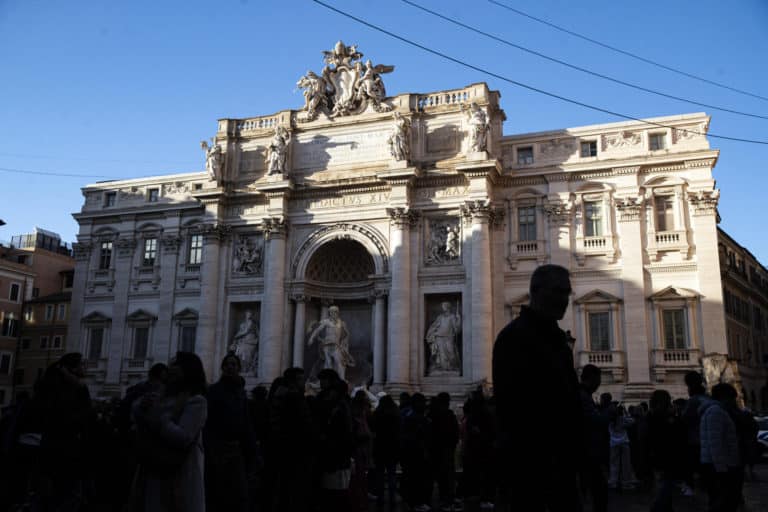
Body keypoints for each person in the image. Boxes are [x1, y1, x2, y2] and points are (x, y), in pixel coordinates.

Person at [492, 264, 582, 511]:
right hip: (532, 462)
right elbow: (512, 407)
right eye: (558, 291)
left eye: (567, 292)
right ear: (537, 292)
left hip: (559, 460)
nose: (564, 298)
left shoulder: (558, 340)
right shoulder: (515, 338)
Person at [132, 351, 208, 512]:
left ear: (187, 369)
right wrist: (142, 407)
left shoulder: (196, 401)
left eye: (175, 364)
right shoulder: (161, 395)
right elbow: (138, 417)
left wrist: (162, 419)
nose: (170, 367)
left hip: (180, 469)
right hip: (156, 465)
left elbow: (184, 437)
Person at [36, 352, 95, 511]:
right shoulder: (70, 390)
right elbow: (84, 417)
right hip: (66, 451)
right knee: (68, 497)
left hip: (55, 450)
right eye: (82, 364)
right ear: (72, 369)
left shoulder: (53, 387)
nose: (86, 367)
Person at [204, 353, 256, 512]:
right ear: (222, 368)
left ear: (239, 368)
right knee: (219, 491)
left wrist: (252, 451)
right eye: (227, 364)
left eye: (233, 364)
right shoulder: (213, 391)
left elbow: (246, 423)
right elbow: (208, 421)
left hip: (236, 447)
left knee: (238, 492)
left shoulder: (241, 392)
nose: (230, 367)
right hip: (218, 447)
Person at [699, 383, 741, 512]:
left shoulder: (716, 411)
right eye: (732, 398)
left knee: (721, 501)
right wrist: (722, 469)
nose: (734, 401)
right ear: (724, 397)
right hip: (719, 466)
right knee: (722, 502)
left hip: (718, 464)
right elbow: (715, 443)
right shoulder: (716, 412)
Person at [647, 390, 685, 512]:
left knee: (664, 486)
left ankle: (666, 507)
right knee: (664, 486)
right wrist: (674, 417)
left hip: (660, 457)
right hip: (664, 457)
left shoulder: (652, 416)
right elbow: (673, 433)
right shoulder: (662, 417)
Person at [578, 364, 608, 512]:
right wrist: (608, 414)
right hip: (586, 452)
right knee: (598, 489)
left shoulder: (583, 395)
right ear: (592, 379)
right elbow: (593, 421)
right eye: (598, 380)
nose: (599, 384)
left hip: (587, 451)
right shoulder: (583, 396)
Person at [681, 371, 711, 494]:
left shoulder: (694, 401)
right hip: (705, 440)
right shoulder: (708, 399)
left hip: (695, 440)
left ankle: (691, 486)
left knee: (690, 465)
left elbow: (685, 419)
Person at [308, 305, 355, 381]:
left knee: (338, 361)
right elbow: (317, 330)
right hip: (327, 345)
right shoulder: (326, 322)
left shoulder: (341, 323)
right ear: (329, 313)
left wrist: (344, 343)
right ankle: (327, 380)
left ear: (338, 312)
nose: (333, 313)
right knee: (328, 363)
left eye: (335, 312)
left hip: (336, 345)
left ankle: (341, 379)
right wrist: (311, 338)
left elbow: (347, 334)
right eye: (332, 312)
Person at [371, 394, 401, 507]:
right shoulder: (396, 414)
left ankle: (380, 497)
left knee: (379, 475)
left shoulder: (378, 413)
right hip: (392, 448)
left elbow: (373, 428)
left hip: (379, 447)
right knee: (391, 475)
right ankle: (392, 498)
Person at [425, 301, 461, 373]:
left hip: (449, 337)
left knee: (451, 352)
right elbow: (434, 325)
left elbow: (456, 328)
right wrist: (432, 333)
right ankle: (443, 368)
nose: (443, 307)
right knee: (441, 354)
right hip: (439, 336)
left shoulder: (452, 316)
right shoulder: (440, 317)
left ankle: (451, 367)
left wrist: (459, 319)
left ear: (448, 307)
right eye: (442, 306)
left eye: (444, 306)